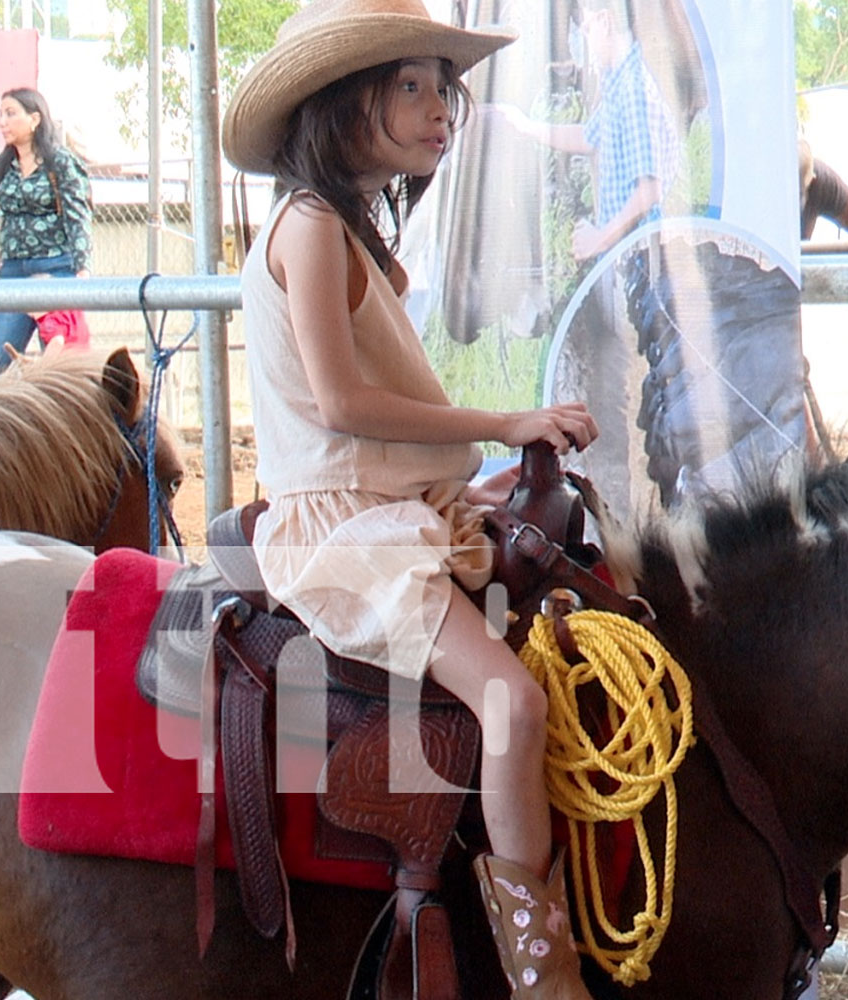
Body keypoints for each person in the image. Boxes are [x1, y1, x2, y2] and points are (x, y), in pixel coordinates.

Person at [220, 1, 599, 995]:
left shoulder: (350, 236)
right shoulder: (307, 229)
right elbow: (342, 404)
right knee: (512, 702)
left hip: (387, 507)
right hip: (339, 525)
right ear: (346, 103)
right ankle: (542, 971)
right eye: (412, 86)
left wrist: (484, 470)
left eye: (444, 88)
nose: (441, 110)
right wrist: (511, 422)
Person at [491, 0, 681, 261]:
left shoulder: (634, 91)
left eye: (587, 28)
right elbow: (589, 137)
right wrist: (526, 126)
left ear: (605, 22)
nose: (583, 40)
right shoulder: (618, 84)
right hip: (630, 257)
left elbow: (649, 189)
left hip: (643, 260)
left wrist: (600, 238)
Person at [0, 87, 92, 374]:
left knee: (59, 359)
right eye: (0, 115)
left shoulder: (60, 161)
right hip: (13, 270)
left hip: (55, 269)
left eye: (11, 114)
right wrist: (1, 215)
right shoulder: (6, 164)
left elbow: (79, 215)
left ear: (35, 119)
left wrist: (82, 268)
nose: (2, 121)